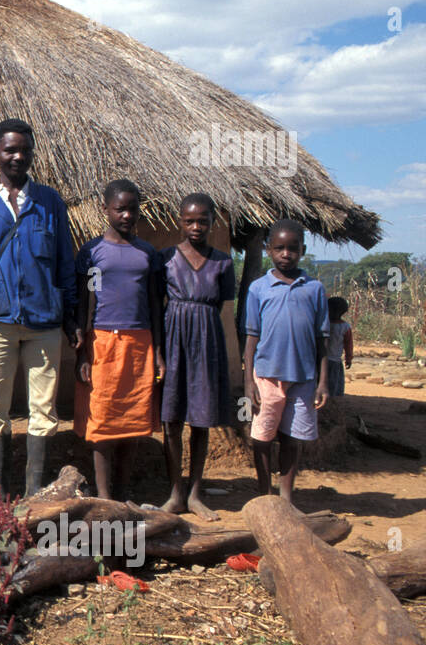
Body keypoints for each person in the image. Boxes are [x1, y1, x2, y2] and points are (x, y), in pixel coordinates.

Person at [0, 119, 80, 501]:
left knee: (44, 409)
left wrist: (71, 316)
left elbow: (65, 264)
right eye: (10, 150)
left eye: (24, 149)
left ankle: (35, 490)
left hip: (44, 321)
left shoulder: (50, 201)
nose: (18, 156)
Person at [74, 179, 165, 502]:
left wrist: (159, 353)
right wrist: (83, 351)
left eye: (133, 209)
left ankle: (125, 490)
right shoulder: (92, 252)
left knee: (134, 420)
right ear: (105, 210)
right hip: (102, 343)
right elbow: (84, 303)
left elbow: (155, 303)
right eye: (120, 209)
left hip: (140, 343)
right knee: (102, 421)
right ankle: (103, 495)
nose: (127, 215)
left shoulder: (147, 254)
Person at [158, 193, 236, 521]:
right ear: (179, 220)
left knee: (201, 419)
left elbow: (219, 305)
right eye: (189, 220)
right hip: (173, 337)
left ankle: (195, 493)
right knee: (172, 419)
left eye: (202, 220)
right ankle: (175, 492)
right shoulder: (165, 259)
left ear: (212, 222)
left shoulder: (223, 262)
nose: (196, 226)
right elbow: (154, 303)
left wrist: (198, 321)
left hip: (207, 340)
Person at [243, 220, 329, 504]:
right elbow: (251, 337)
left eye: (293, 248)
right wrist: (248, 381)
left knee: (293, 439)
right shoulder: (258, 288)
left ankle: (287, 498)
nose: (286, 254)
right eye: (279, 248)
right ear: (268, 250)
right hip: (266, 375)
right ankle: (265, 496)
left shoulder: (314, 289)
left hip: (303, 378)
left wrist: (322, 382)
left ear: (302, 250)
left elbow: (321, 339)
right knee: (262, 438)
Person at [325, 296, 353, 399]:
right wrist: (348, 359)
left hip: (321, 360)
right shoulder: (345, 327)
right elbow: (348, 345)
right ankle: (331, 401)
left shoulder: (323, 324)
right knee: (332, 384)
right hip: (335, 360)